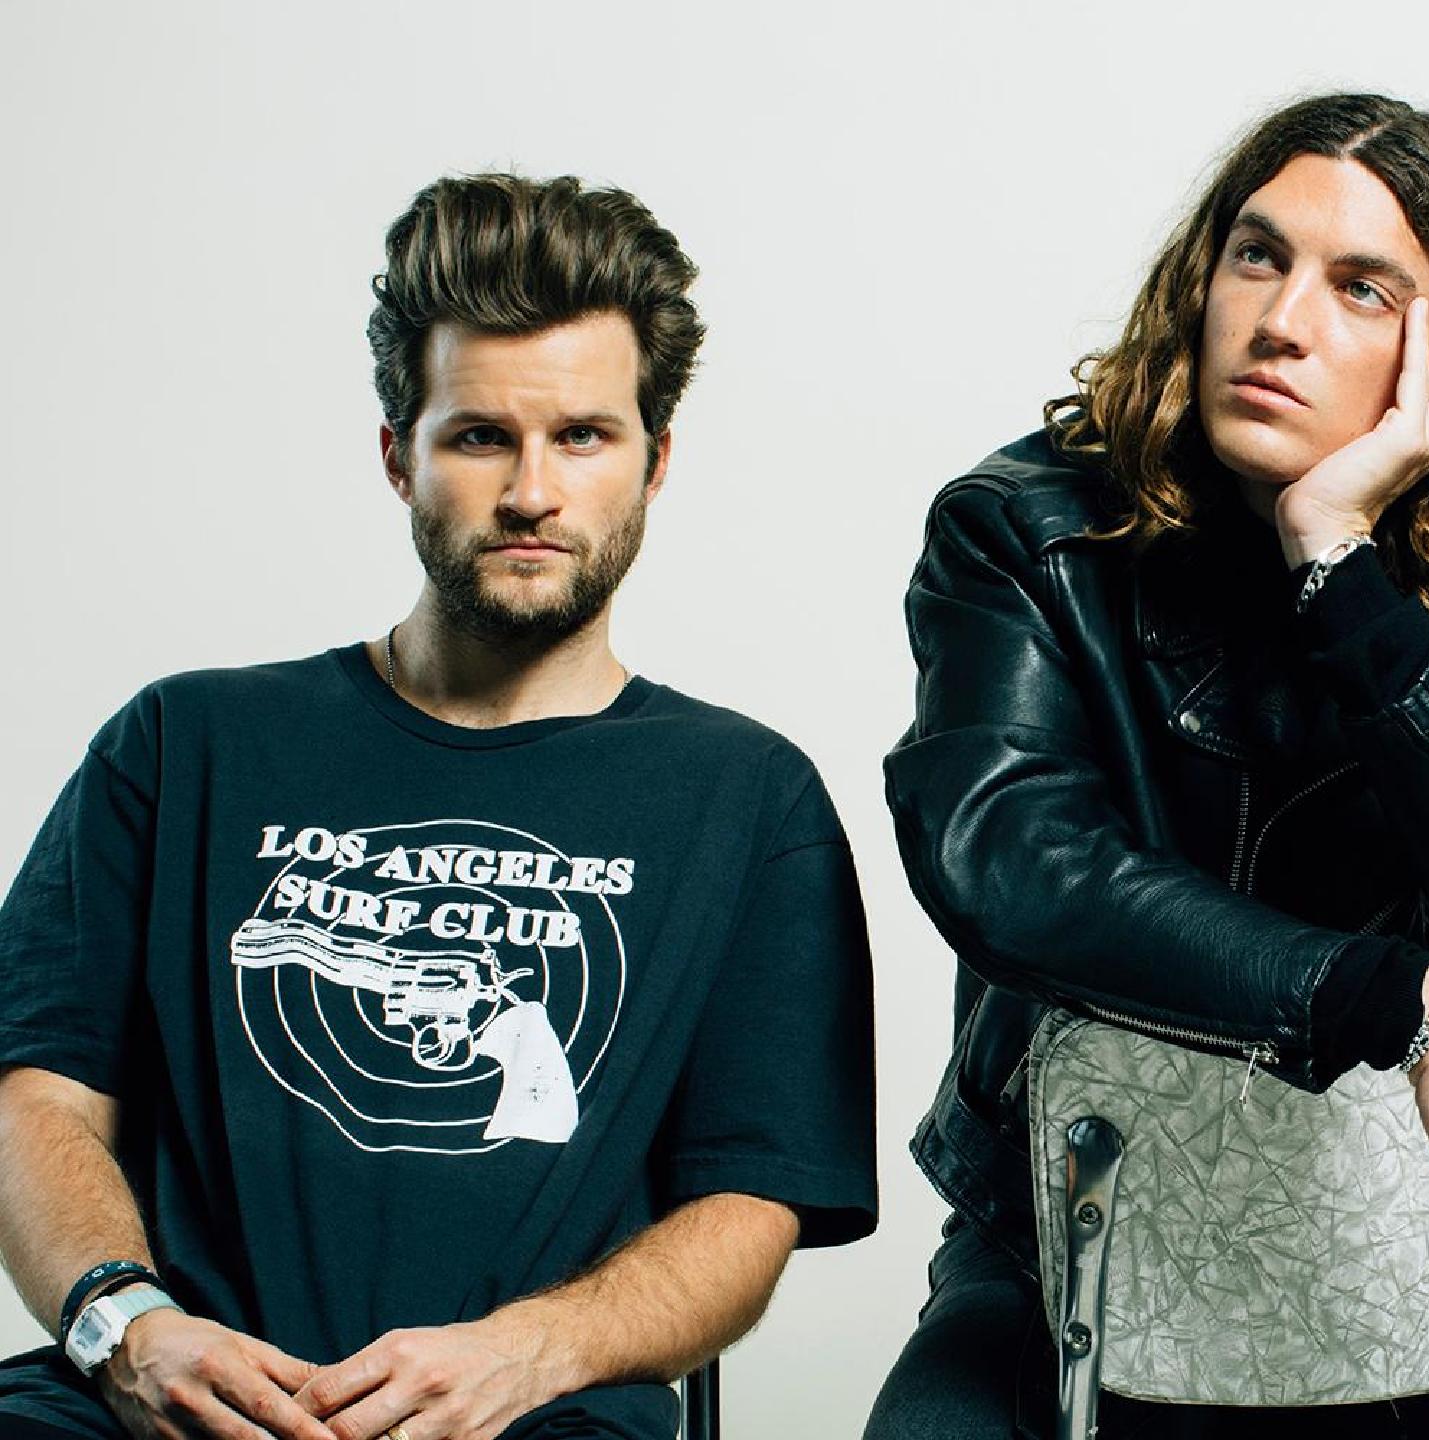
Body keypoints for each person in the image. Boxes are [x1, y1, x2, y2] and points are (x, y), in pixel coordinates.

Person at [870, 93, 1429, 1438]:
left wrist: (1342, 569)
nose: (1280, 319)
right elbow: (1015, 866)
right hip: (1071, 1266)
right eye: (1258, 256)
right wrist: (1402, 1002)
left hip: (1409, 1283)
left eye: (1362, 288)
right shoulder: (1030, 532)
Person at [0, 173, 878, 1440]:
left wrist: (528, 1353)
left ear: (656, 461)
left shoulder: (748, 796)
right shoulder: (186, 740)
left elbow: (752, 1203)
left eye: (583, 436)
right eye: (478, 437)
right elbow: (36, 1094)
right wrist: (122, 1323)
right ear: (396, 457)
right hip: (169, 1398)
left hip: (524, 1413)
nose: (532, 493)